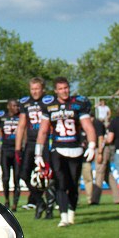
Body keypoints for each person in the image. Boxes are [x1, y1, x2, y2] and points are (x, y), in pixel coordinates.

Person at [35, 77, 97, 227]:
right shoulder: (49, 105)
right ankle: (63, 216)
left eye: (66, 88)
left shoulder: (78, 104)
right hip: (58, 148)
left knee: (73, 184)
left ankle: (71, 213)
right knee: (60, 183)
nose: (64, 91)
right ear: (56, 91)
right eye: (61, 89)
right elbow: (43, 131)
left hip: (75, 148)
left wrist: (92, 145)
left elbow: (88, 126)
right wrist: (38, 153)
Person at [15, 77, 48, 216]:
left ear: (43, 89)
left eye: (37, 89)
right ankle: (40, 201)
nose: (34, 92)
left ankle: (50, 206)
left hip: (46, 141)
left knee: (46, 175)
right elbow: (21, 126)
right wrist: (18, 148)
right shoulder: (26, 103)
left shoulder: (49, 101)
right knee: (24, 174)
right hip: (31, 142)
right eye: (32, 89)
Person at [0, 99, 21, 210]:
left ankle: (15, 203)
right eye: (14, 106)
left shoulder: (21, 116)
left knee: (17, 178)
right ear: (8, 106)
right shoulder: (2, 116)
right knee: (5, 178)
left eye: (17, 106)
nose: (16, 108)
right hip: (5, 150)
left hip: (17, 150)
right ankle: (6, 200)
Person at [87, 116, 119, 205]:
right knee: (107, 175)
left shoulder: (96, 123)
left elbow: (101, 138)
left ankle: (95, 199)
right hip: (101, 149)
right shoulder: (94, 122)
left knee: (99, 173)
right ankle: (117, 198)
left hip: (101, 149)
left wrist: (100, 153)